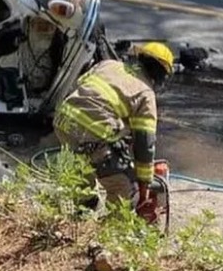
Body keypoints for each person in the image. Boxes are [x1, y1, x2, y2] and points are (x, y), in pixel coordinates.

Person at [53, 42, 175, 223]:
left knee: (82, 172)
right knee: (120, 187)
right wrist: (144, 185)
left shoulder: (108, 64)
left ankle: (79, 219)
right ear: (161, 73)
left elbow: (82, 86)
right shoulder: (145, 93)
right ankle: (111, 235)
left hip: (63, 121)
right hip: (94, 133)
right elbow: (145, 145)